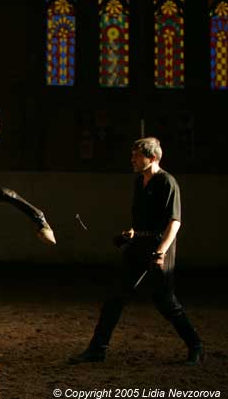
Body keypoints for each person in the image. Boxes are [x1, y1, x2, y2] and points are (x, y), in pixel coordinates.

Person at [68, 137, 203, 366]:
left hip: (160, 248)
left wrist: (160, 251)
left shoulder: (167, 183)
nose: (132, 159)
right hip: (139, 246)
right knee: (115, 299)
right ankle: (97, 350)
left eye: (136, 155)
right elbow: (143, 221)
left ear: (151, 158)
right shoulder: (139, 182)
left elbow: (174, 222)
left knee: (165, 302)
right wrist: (132, 233)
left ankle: (196, 346)